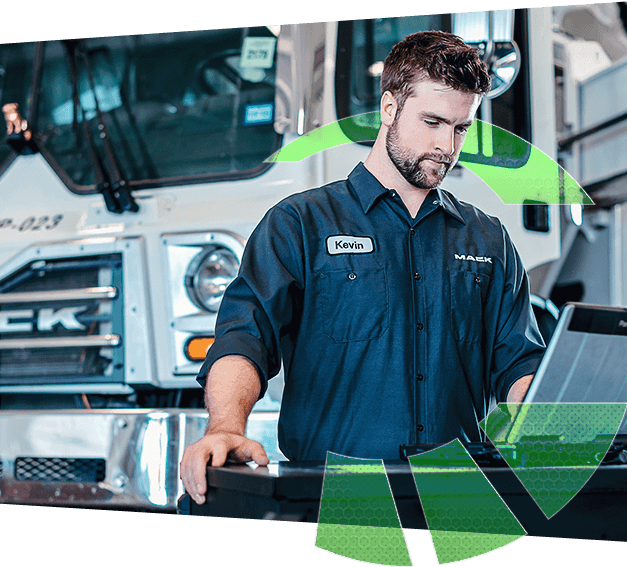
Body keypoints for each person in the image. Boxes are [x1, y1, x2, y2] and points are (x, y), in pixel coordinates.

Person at [180, 30, 545, 505]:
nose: (445, 145)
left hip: (458, 500)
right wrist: (225, 428)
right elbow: (244, 339)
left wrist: (554, 427)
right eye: (432, 122)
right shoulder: (300, 223)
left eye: (460, 128)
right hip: (336, 496)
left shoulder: (488, 239)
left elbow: (518, 362)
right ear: (389, 108)